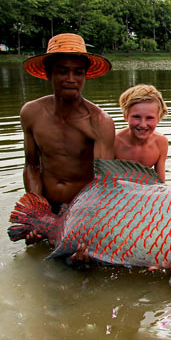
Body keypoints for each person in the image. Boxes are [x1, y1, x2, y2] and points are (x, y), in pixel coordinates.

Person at [21, 33, 115, 244]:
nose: (71, 79)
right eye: (63, 71)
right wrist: (37, 212)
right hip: (47, 204)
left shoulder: (100, 121)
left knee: (80, 264)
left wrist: (84, 224)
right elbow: (32, 166)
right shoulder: (31, 112)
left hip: (84, 210)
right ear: (48, 74)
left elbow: (104, 184)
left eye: (78, 72)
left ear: (85, 76)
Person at [115, 84, 169, 181]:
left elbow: (161, 183)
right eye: (136, 117)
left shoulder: (161, 142)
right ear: (125, 116)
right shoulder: (113, 142)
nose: (143, 124)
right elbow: (104, 180)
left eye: (149, 118)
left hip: (144, 189)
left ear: (159, 118)